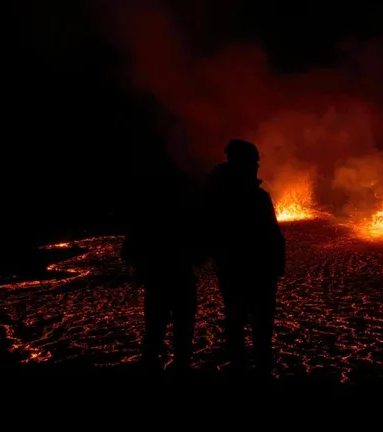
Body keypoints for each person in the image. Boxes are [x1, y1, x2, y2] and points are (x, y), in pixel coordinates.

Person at [205, 139, 286, 376]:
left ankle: (244, 368)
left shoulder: (219, 194)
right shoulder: (243, 197)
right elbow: (271, 233)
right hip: (251, 270)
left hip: (240, 270)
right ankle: (255, 371)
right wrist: (276, 264)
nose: (257, 165)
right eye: (254, 160)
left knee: (239, 322)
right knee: (253, 323)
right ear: (242, 162)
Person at [121, 156, 204, 372]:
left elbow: (132, 242)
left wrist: (134, 266)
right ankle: (179, 368)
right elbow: (199, 241)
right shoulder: (185, 209)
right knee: (182, 331)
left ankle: (152, 366)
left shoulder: (148, 209)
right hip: (180, 277)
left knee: (155, 328)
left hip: (157, 277)